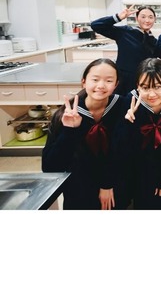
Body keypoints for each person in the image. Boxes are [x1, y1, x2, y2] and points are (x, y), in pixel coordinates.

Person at [42, 58, 125, 210]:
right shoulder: (66, 114)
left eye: (108, 80)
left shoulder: (122, 107)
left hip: (114, 187)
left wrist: (107, 184)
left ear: (116, 84)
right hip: (79, 189)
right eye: (95, 79)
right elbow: (49, 167)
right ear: (84, 82)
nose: (101, 85)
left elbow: (122, 154)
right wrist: (69, 131)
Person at [114, 58, 161, 209]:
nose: (151, 94)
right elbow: (122, 149)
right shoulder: (130, 101)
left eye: (157, 87)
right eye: (145, 87)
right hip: (141, 174)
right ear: (137, 86)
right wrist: (127, 123)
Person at [91, 5, 157, 95]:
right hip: (123, 80)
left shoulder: (152, 39)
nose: (147, 20)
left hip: (143, 81)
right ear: (136, 18)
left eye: (150, 17)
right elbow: (96, 25)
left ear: (154, 19)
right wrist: (118, 17)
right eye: (143, 17)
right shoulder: (125, 32)